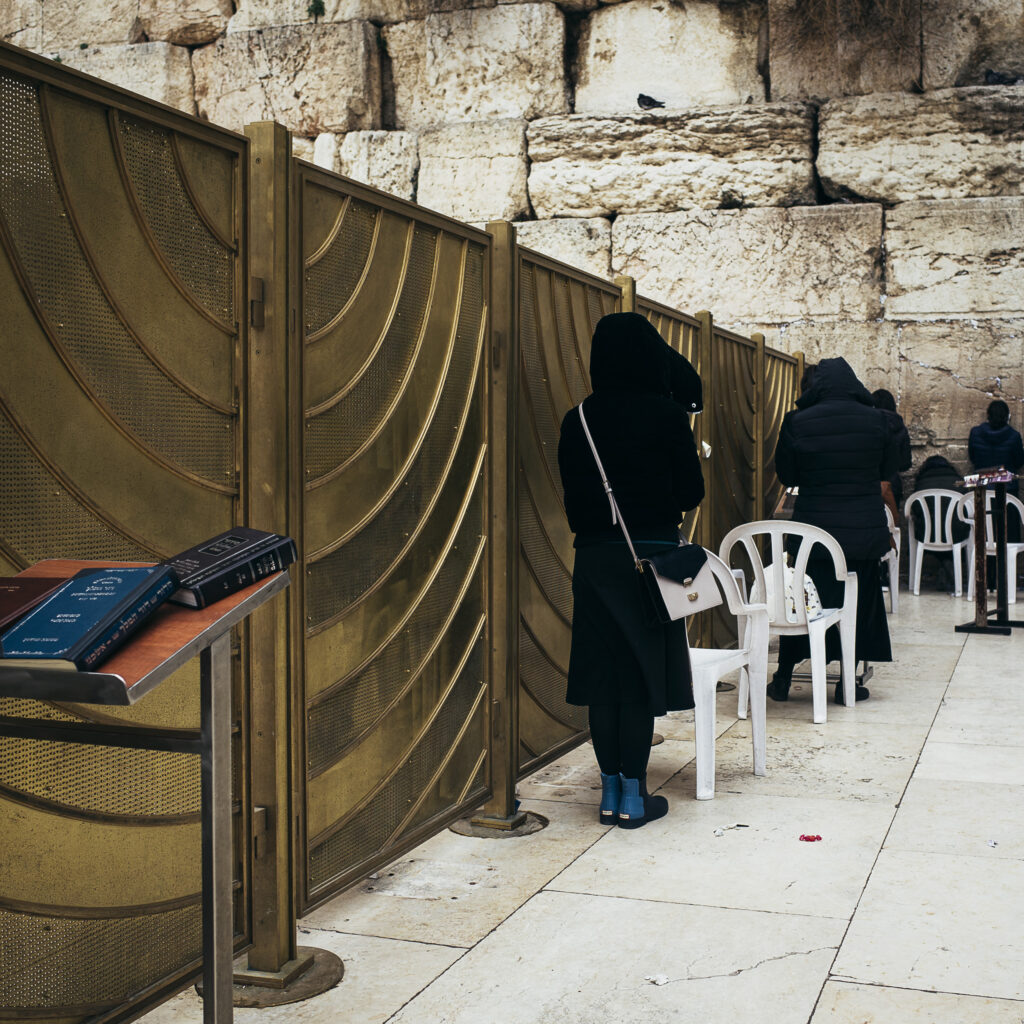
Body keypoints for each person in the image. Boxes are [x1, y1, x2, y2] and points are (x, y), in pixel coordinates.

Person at [558, 313, 704, 829]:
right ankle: (636, 797)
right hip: (653, 558)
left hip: (596, 559)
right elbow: (692, 493)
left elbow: (574, 504)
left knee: (605, 677)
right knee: (641, 675)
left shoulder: (576, 419)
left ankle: (609, 794)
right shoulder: (666, 416)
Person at [768, 357, 901, 703]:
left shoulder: (796, 422)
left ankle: (783, 677)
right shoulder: (880, 421)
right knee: (859, 600)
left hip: (814, 535)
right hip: (862, 536)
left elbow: (788, 476)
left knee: (805, 597)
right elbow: (892, 467)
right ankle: (846, 683)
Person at [909, 455, 968, 591]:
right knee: (954, 528)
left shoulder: (921, 484)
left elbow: (916, 510)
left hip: (928, 535)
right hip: (956, 534)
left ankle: (944, 563)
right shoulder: (959, 482)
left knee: (931, 528)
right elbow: (966, 508)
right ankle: (948, 563)